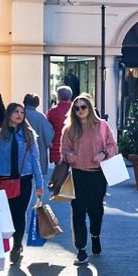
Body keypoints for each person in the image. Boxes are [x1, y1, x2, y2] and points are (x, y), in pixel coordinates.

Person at [60, 94, 118, 266]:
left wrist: (104, 154)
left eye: (83, 107)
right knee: (78, 212)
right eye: (76, 108)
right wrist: (68, 155)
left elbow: (112, 146)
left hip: (97, 174)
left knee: (96, 210)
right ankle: (81, 249)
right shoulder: (69, 129)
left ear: (90, 108)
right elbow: (64, 149)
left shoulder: (101, 125)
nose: (79, 111)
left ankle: (95, 235)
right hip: (77, 174)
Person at [0, 103, 45, 264]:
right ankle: (11, 242)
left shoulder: (28, 135)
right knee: (8, 216)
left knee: (20, 215)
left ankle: (17, 245)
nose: (19, 115)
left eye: (22, 112)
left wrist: (39, 183)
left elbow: (35, 159)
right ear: (9, 114)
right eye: (16, 112)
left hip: (24, 180)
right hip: (4, 181)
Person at [22, 93, 54, 180]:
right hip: (37, 150)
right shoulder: (40, 117)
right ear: (37, 104)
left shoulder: (18, 115)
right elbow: (48, 133)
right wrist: (49, 143)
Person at [46, 86, 73, 166]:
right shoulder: (76, 109)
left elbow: (47, 128)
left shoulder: (53, 111)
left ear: (58, 96)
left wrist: (49, 142)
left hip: (57, 147)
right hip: (74, 147)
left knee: (60, 174)